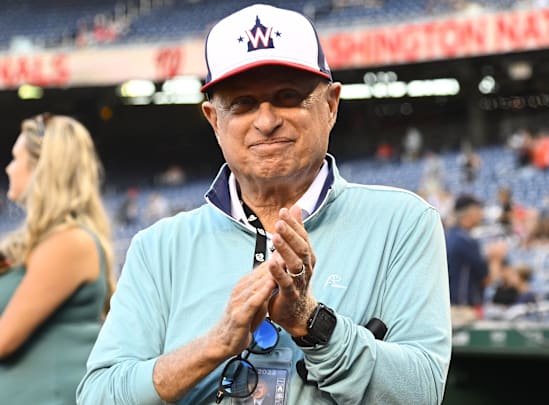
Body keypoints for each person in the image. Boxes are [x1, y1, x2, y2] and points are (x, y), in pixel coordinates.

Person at [78, 4, 451, 405]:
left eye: (288, 97)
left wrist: (311, 321)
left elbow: (421, 393)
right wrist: (215, 346)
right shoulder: (159, 247)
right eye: (242, 104)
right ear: (213, 119)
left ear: (330, 105)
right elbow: (99, 396)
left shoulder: (402, 223)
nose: (267, 120)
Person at [0, 114, 115, 404]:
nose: (8, 168)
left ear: (42, 168)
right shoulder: (41, 243)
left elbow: (4, 340)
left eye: (16, 158)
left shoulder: (69, 242)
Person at [446, 194, 506, 307]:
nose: (481, 214)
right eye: (478, 209)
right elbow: (487, 280)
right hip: (462, 310)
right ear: (470, 213)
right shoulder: (465, 240)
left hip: (447, 307)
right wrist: (495, 258)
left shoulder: (449, 236)